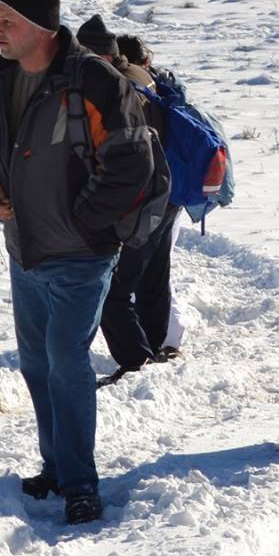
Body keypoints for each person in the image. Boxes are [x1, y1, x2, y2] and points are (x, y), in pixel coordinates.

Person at [0, 0, 160, 525]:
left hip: (81, 256)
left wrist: (81, 222)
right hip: (25, 252)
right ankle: (57, 467)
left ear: (41, 27)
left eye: (7, 21)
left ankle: (80, 484)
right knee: (38, 363)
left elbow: (130, 164)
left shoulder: (93, 80)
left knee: (67, 363)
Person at [83, 21, 184, 383]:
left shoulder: (119, 88)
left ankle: (136, 362)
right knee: (153, 275)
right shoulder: (144, 75)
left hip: (143, 198)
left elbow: (123, 152)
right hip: (168, 191)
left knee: (112, 288)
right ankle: (153, 348)